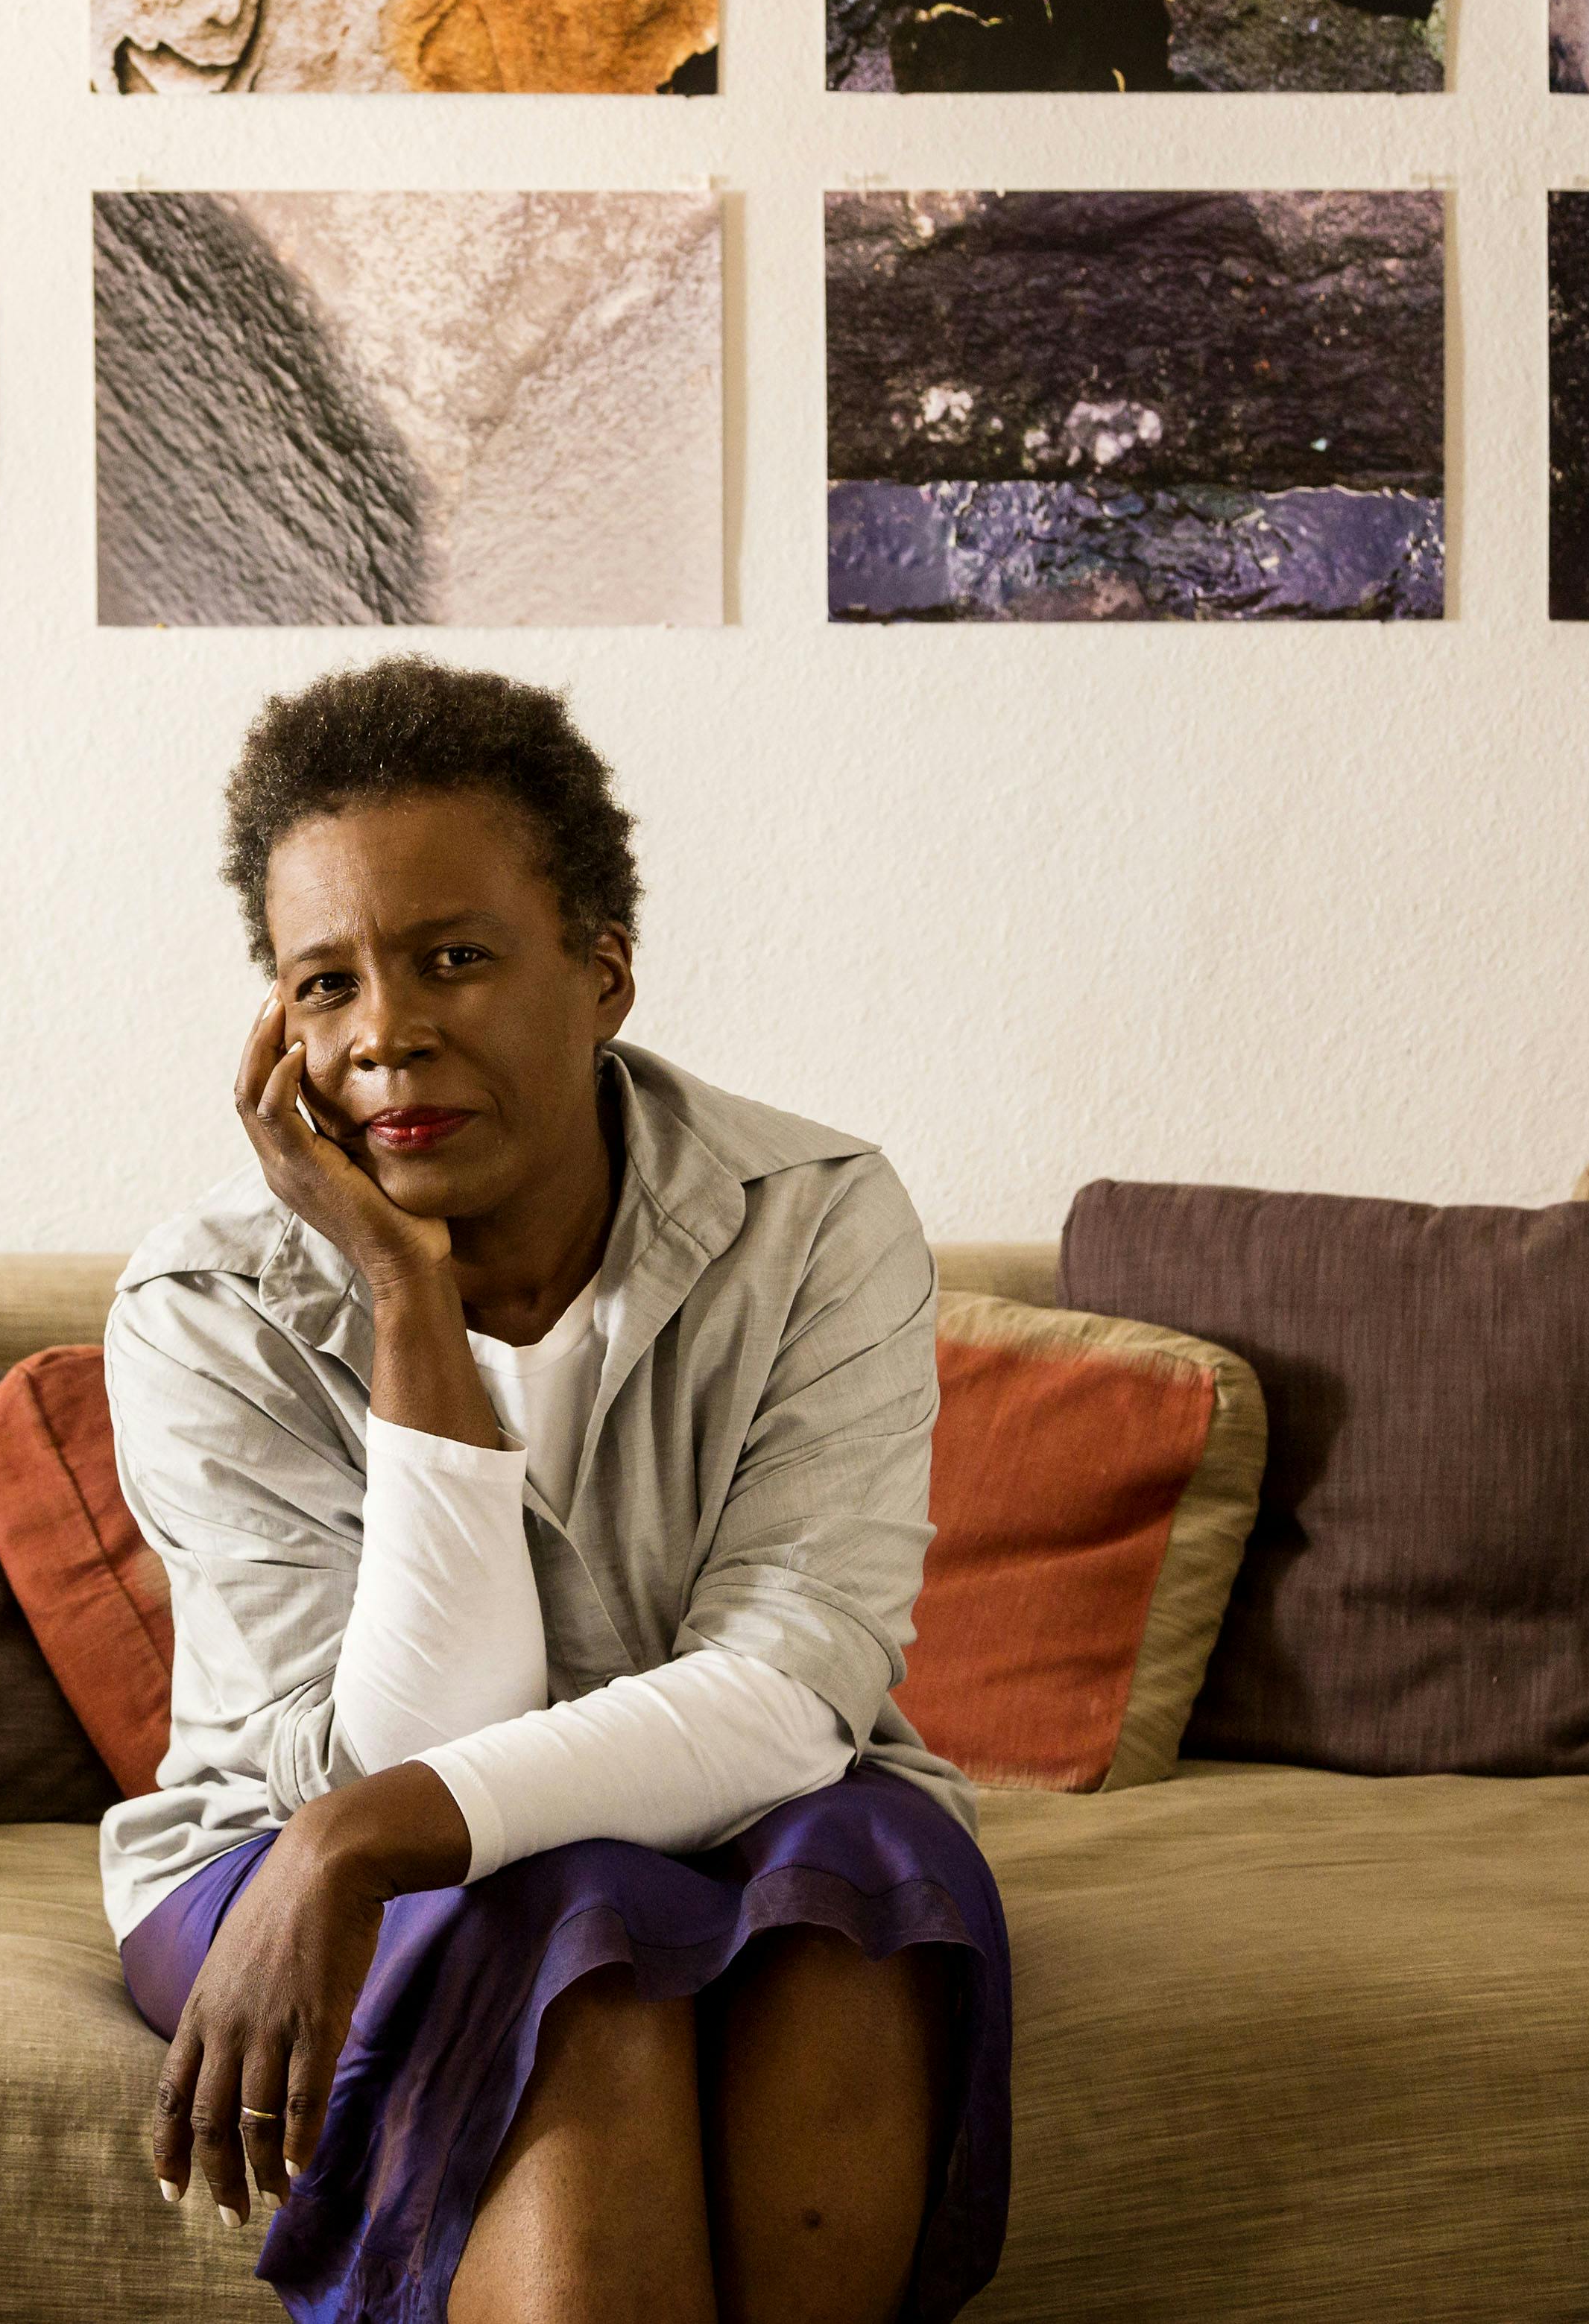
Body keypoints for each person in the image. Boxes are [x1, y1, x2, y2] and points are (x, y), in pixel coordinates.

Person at [104, 655, 1009, 2324]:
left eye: (450, 957)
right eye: (323, 987)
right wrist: (398, 1293)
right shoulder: (206, 1308)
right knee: (580, 1922)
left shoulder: (809, 1217)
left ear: (600, 975)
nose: (382, 1036)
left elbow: (793, 1684)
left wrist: (355, 1842)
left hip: (625, 1814)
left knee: (871, 1868)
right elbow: (393, 1738)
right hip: (266, 1846)